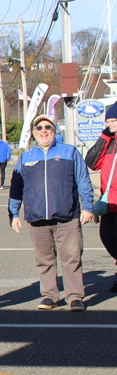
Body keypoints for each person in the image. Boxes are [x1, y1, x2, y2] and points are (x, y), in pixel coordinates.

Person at [8, 114, 94, 311]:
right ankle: (49, 296)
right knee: (44, 260)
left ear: (54, 131)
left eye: (48, 127)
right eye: (39, 128)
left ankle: (75, 297)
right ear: (33, 133)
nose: (43, 131)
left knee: (72, 258)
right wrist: (14, 214)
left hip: (68, 217)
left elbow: (83, 180)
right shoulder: (26, 158)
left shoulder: (69, 152)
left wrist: (87, 207)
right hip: (37, 218)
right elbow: (16, 188)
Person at [85, 103, 117, 291]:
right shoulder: (109, 142)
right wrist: (104, 137)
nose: (109, 124)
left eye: (112, 121)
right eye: (107, 121)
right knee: (107, 237)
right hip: (108, 202)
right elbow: (92, 163)